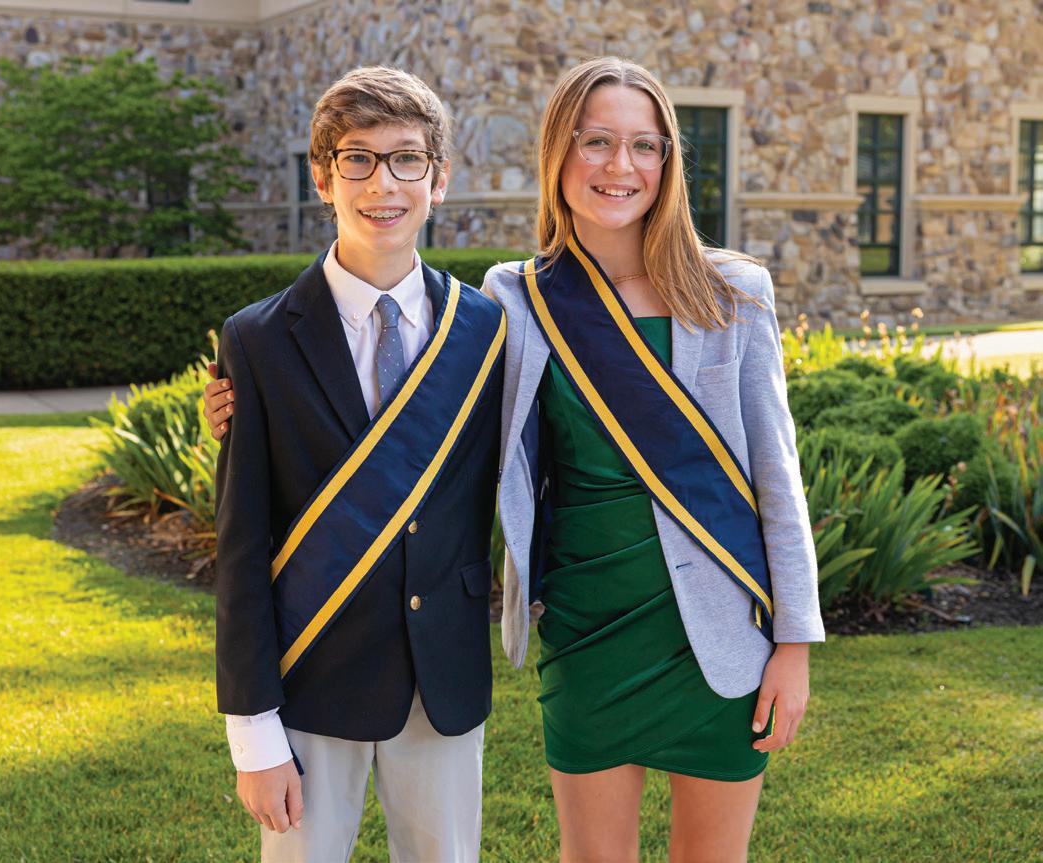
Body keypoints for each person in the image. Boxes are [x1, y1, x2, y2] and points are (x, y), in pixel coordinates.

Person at [208, 57, 825, 863]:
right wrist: (238, 411)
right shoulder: (517, 300)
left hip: (723, 633)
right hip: (588, 626)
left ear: (667, 161)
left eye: (643, 145)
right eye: (594, 141)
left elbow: (777, 476)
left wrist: (793, 643)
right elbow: (408, 422)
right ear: (557, 154)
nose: (619, 165)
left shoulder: (734, 291)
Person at [210, 65, 504, 863]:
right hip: (311, 673)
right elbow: (240, 547)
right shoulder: (257, 340)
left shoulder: (484, 330)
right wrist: (252, 733)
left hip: (441, 675)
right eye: (357, 159)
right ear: (322, 178)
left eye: (407, 158)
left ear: (439, 178)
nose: (383, 183)